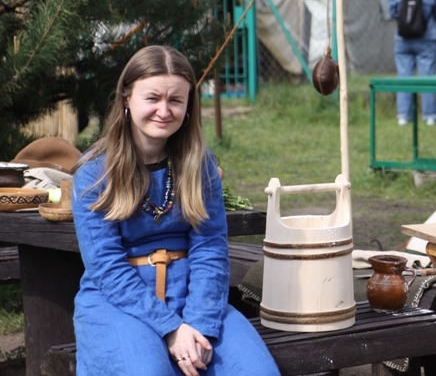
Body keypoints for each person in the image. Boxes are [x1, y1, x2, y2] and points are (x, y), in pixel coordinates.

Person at [71, 46, 280, 376]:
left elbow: (210, 249)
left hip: (193, 295)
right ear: (126, 99)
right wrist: (170, 327)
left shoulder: (200, 165)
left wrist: (199, 323)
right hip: (119, 303)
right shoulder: (94, 174)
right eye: (152, 98)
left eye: (175, 100)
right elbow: (106, 268)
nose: (164, 110)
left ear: (188, 105)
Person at [388, 0, 436, 126]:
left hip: (403, 39)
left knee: (404, 76)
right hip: (426, 39)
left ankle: (403, 116)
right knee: (427, 77)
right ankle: (430, 115)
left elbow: (392, 11)